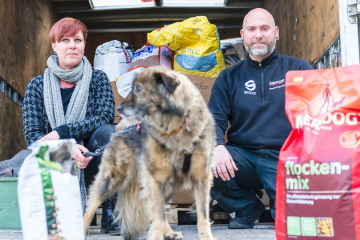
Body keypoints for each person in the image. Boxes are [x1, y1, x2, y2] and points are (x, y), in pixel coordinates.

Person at [208, 8, 313, 229]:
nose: (258, 35)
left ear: (276, 32)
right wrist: (217, 146)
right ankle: (247, 209)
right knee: (200, 156)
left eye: (264, 29)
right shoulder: (228, 78)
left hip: (286, 157)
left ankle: (280, 205)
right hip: (242, 159)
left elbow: (317, 114)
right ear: (243, 35)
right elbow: (213, 119)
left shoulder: (298, 69)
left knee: (288, 223)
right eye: (251, 29)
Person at [21, 17, 120, 235]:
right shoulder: (37, 86)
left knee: (110, 135)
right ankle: (65, 213)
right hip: (56, 160)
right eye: (65, 40)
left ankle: (111, 210)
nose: (72, 45)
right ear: (54, 45)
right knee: (37, 151)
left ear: (85, 44)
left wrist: (61, 133)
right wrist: (66, 148)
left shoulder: (98, 79)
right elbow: (34, 135)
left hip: (92, 156)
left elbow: (103, 118)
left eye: (77, 39)